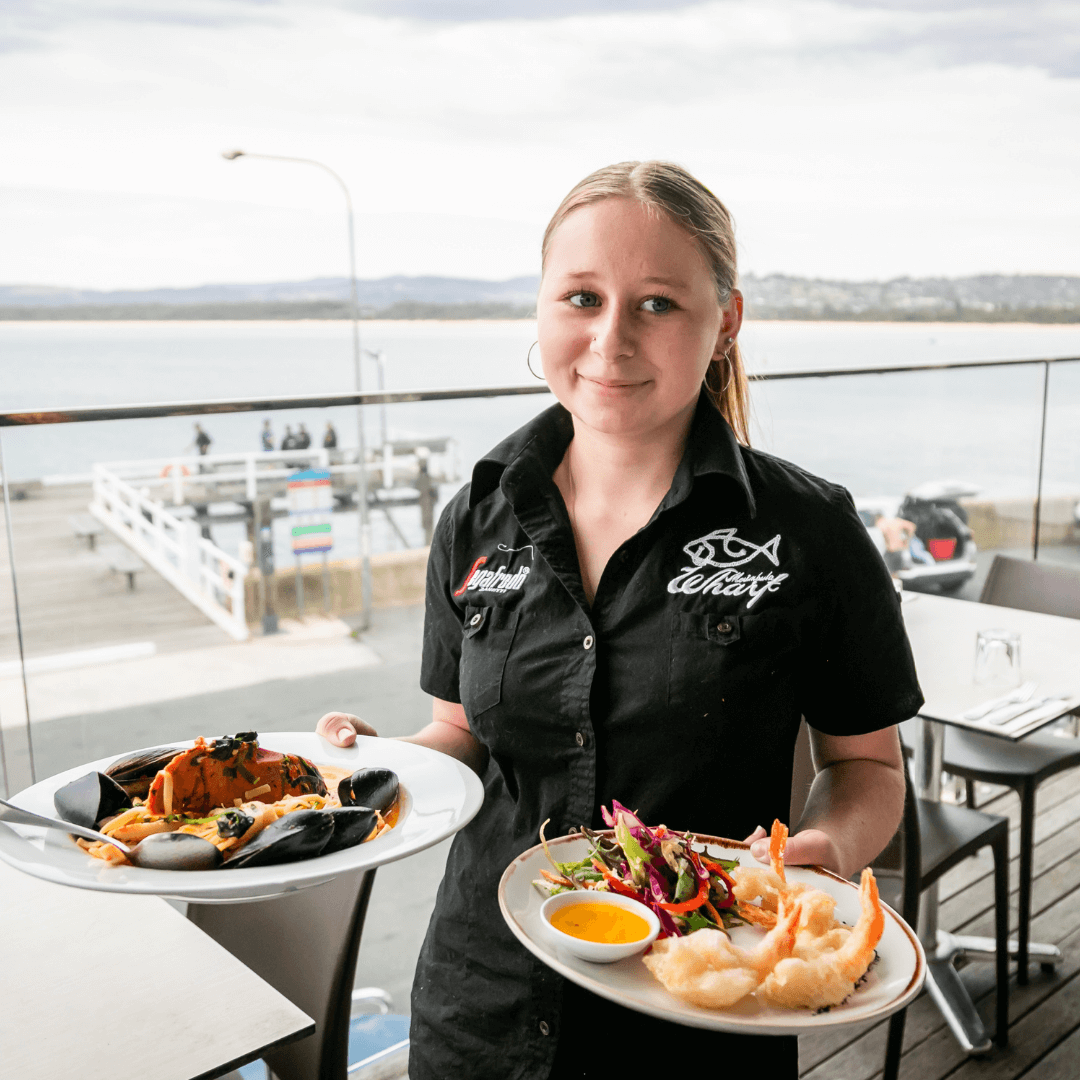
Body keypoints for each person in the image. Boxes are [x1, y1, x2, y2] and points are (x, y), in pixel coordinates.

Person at [315, 161, 922, 1078]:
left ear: (725, 323)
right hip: (481, 1002)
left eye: (657, 305)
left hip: (698, 1005)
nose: (610, 339)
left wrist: (826, 847)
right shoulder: (476, 514)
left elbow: (866, 765)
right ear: (542, 309)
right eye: (583, 297)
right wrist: (380, 766)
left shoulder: (811, 532)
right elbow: (459, 731)